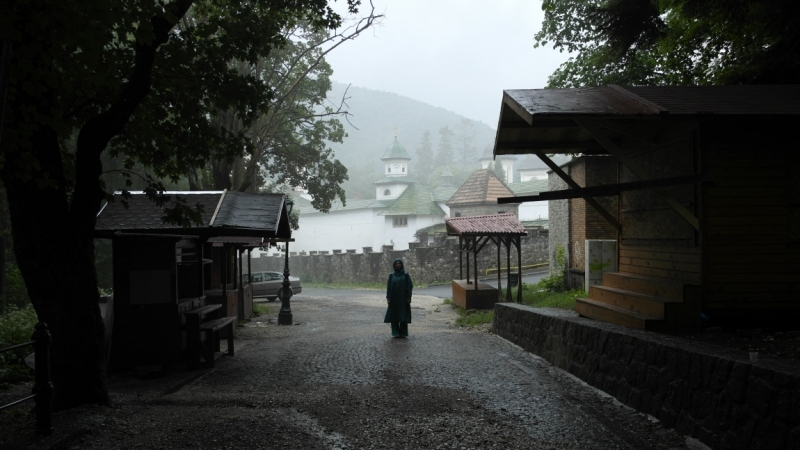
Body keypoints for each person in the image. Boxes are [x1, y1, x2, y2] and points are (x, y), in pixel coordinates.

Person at [384, 258, 413, 338]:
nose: (398, 265)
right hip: (394, 299)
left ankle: (403, 332)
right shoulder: (391, 275)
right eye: (396, 263)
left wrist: (408, 297)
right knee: (394, 315)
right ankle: (395, 332)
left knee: (403, 315)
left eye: (399, 263)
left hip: (403, 299)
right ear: (394, 265)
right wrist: (388, 298)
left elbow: (409, 286)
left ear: (401, 264)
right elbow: (389, 287)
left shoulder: (406, 275)